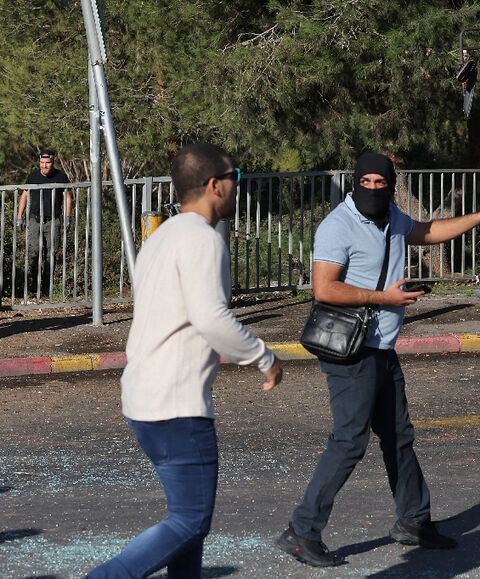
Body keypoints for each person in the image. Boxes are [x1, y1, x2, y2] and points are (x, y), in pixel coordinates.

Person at [276, 151, 480, 567]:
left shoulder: (392, 218)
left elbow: (428, 231)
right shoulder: (339, 226)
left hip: (382, 346)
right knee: (349, 441)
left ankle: (413, 521)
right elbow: (324, 288)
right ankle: (302, 530)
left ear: (390, 184)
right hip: (350, 349)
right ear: (355, 183)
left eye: (380, 183)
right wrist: (383, 298)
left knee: (398, 436)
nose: (372, 189)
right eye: (365, 182)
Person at [87, 143, 284, 578]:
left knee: (187, 525)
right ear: (215, 185)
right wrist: (264, 357)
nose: (237, 186)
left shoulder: (163, 237)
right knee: (190, 520)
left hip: (144, 397)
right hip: (176, 405)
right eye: (236, 177)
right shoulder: (202, 239)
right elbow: (212, 318)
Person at [15, 147, 73, 296]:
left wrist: (67, 217)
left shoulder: (61, 177)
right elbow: (24, 195)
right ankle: (34, 286)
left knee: (51, 254)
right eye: (42, 162)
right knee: (33, 252)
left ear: (52, 162)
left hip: (53, 220)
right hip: (35, 220)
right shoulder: (33, 176)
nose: (44, 166)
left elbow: (68, 197)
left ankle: (47, 289)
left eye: (47, 163)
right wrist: (19, 217)